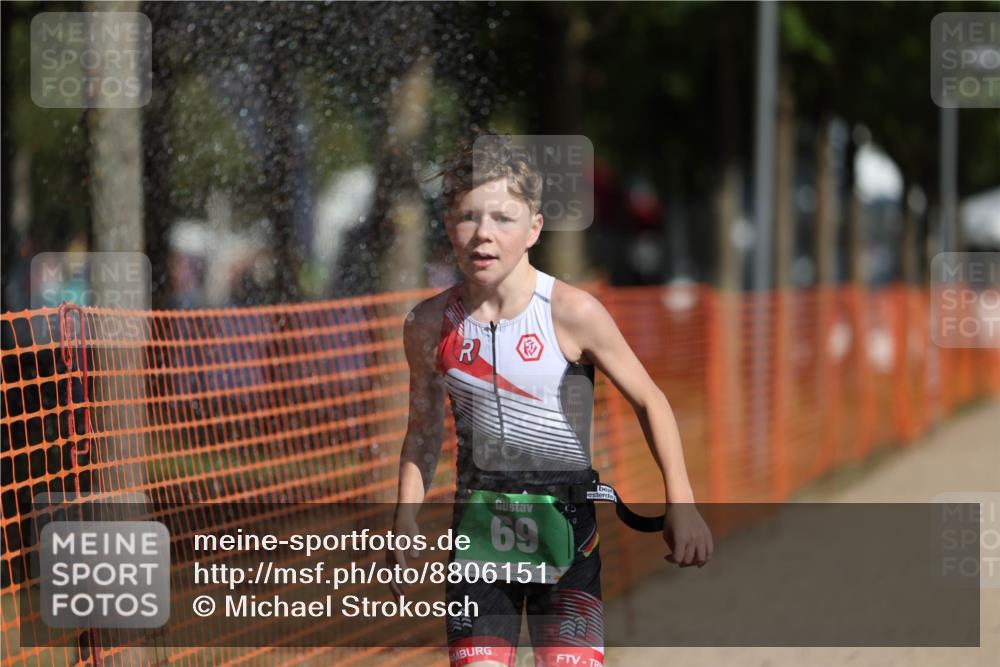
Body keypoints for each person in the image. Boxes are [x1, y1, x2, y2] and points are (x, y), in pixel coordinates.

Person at [388, 135, 712, 667]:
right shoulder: (427, 325)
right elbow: (422, 433)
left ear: (535, 228)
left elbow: (650, 400)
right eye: (468, 217)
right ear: (448, 224)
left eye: (504, 218)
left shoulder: (571, 312)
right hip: (479, 544)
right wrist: (405, 517)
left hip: (566, 544)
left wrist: (682, 501)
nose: (484, 235)